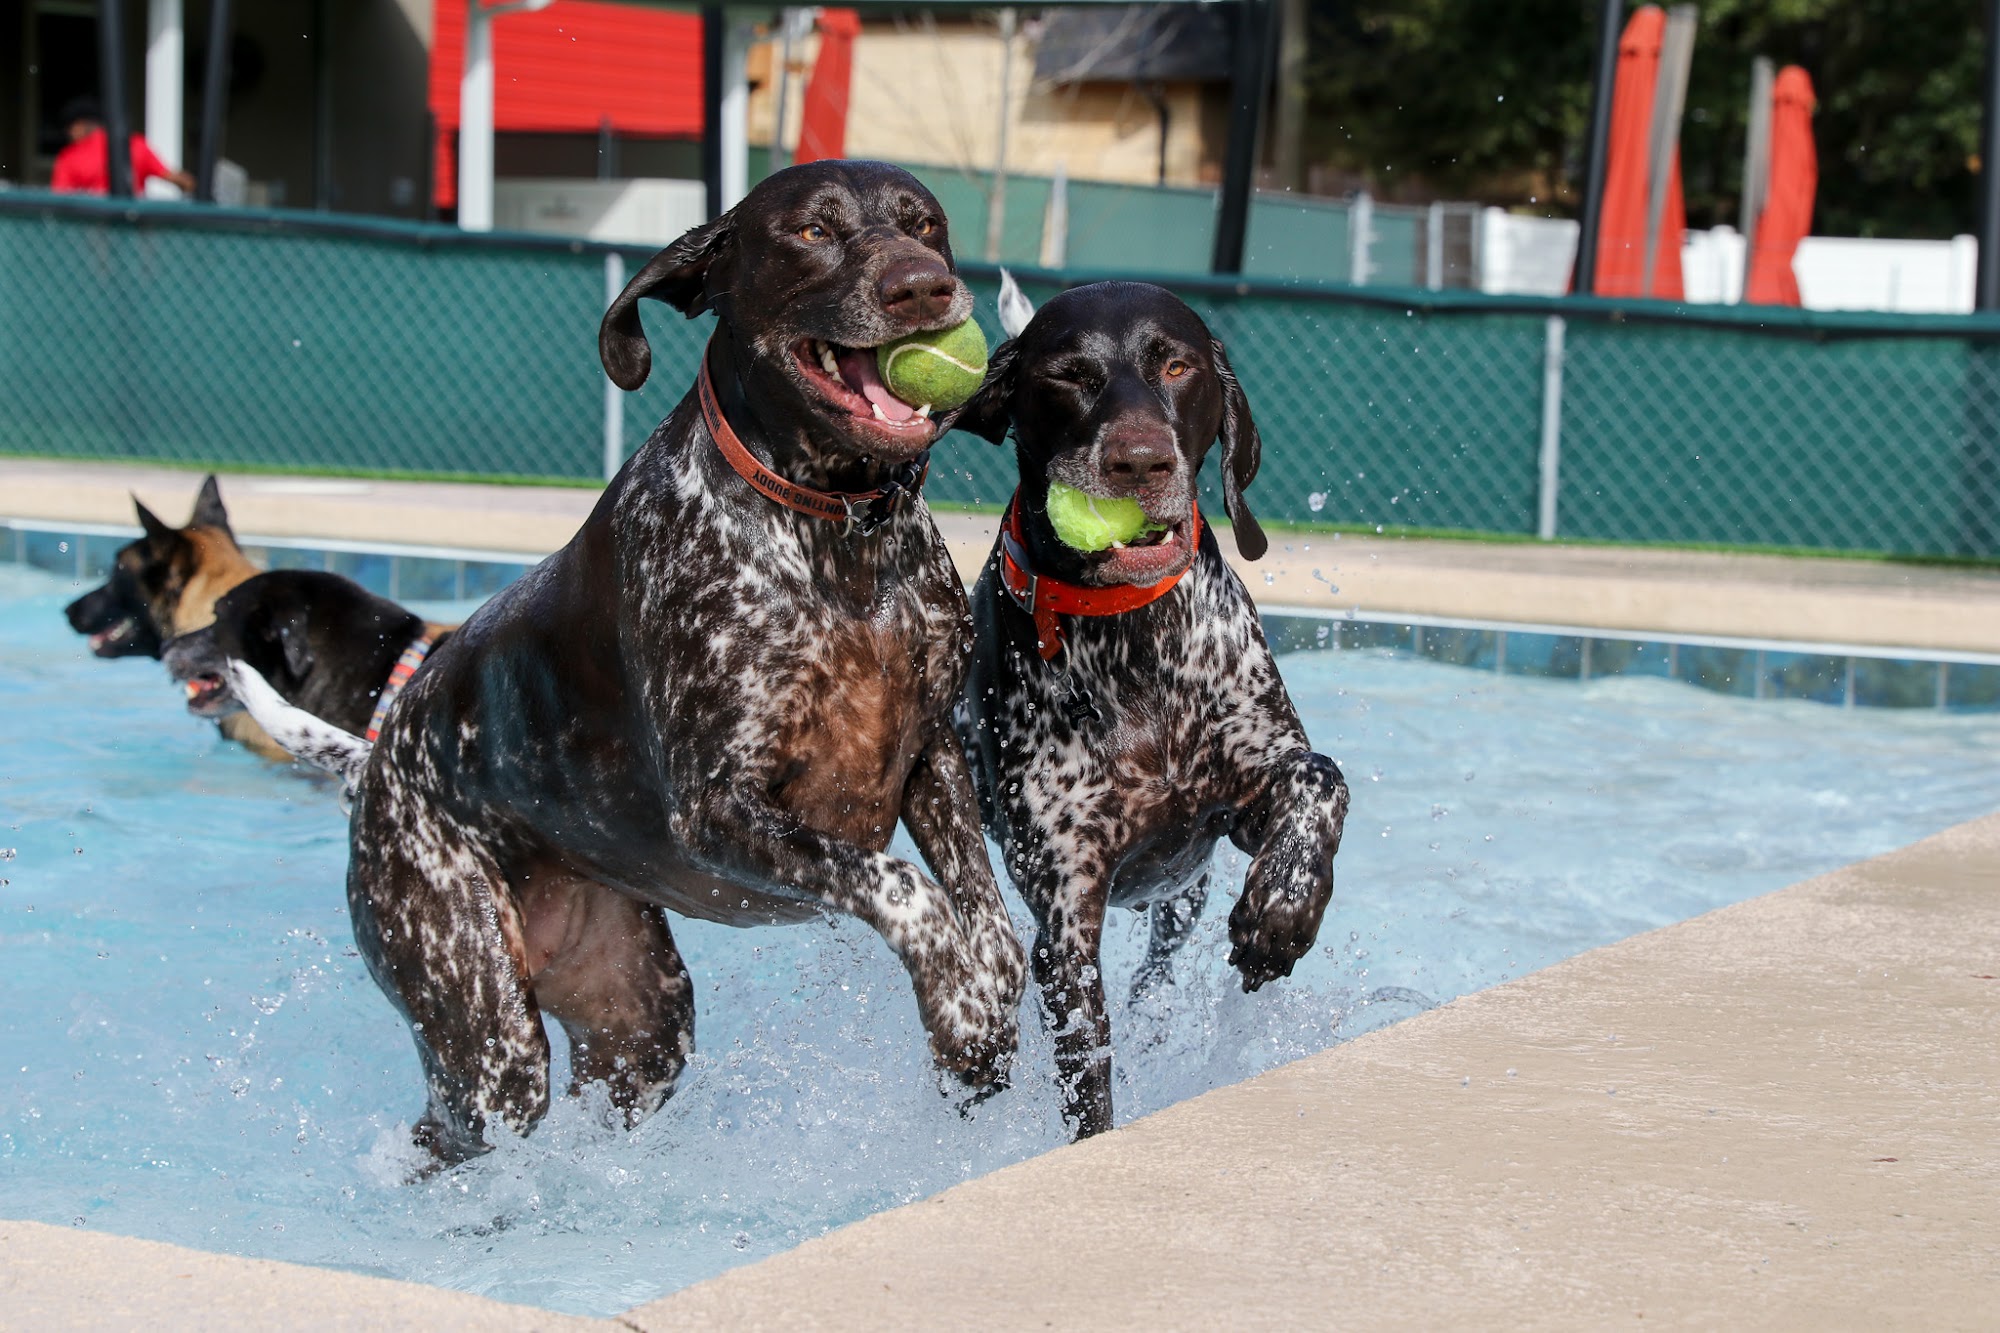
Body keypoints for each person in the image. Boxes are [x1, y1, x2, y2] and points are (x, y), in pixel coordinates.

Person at [50, 97, 195, 195]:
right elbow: (183, 182)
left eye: (69, 129)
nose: (69, 135)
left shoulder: (70, 156)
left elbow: (60, 198)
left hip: (91, 227)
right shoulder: (135, 145)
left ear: (79, 125)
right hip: (132, 226)